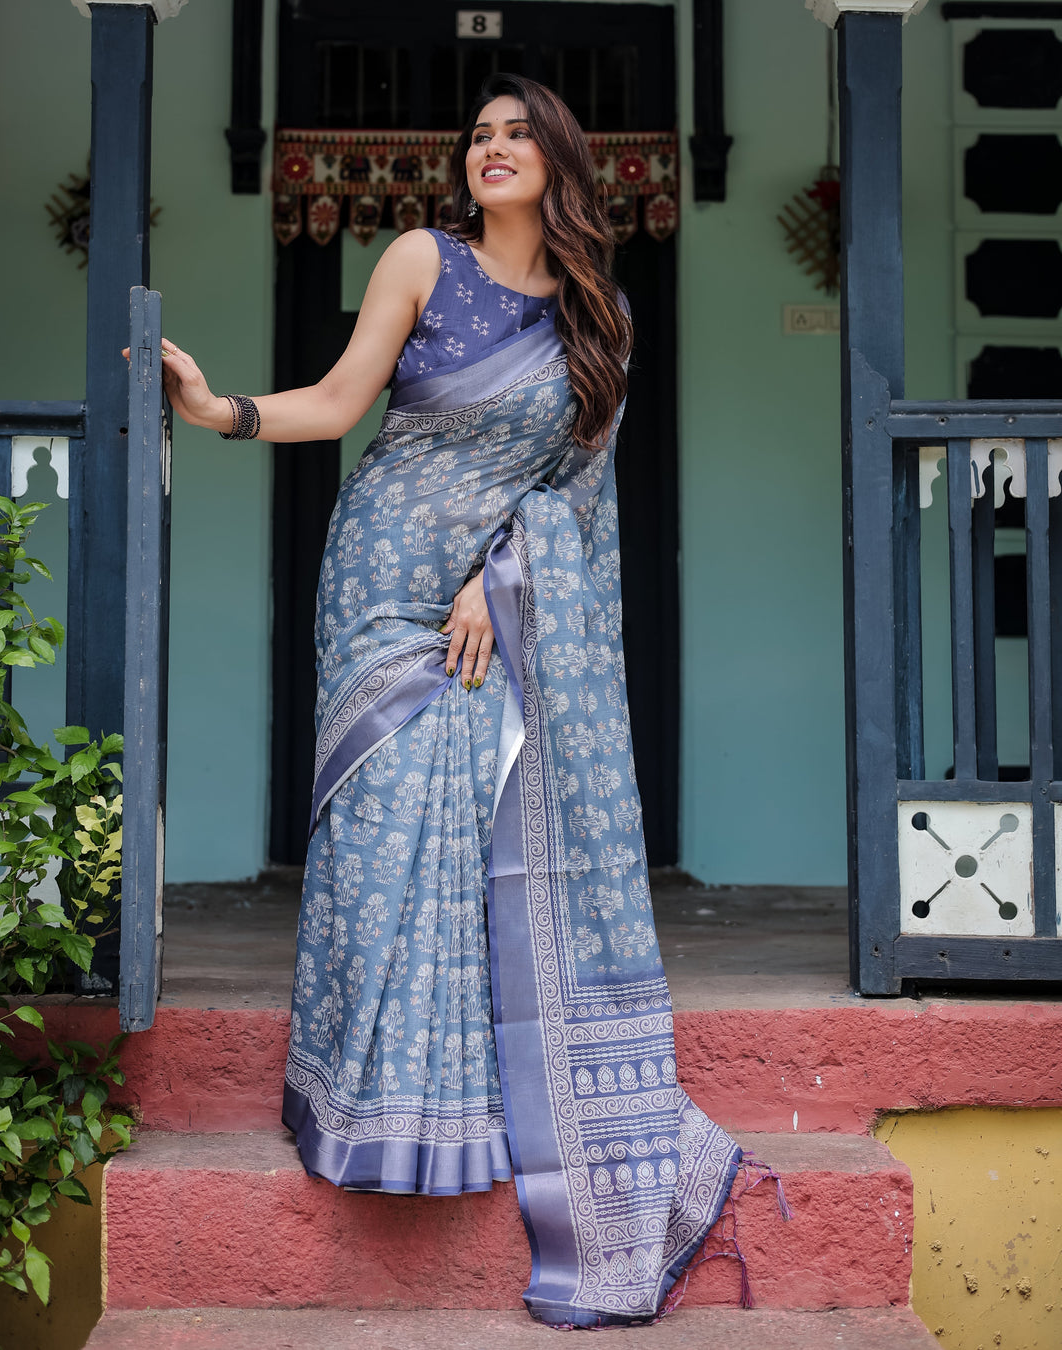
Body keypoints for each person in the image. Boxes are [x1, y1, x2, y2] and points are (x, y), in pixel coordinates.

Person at [154, 73, 757, 1329]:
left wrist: (503, 572)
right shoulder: (422, 259)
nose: (492, 149)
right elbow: (338, 405)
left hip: (495, 603)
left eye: (517, 134)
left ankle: (459, 1114)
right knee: (386, 836)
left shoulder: (602, 316)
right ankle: (366, 1107)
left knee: (462, 850)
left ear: (561, 161)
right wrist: (221, 411)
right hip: (381, 582)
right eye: (480, 135)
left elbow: (575, 500)